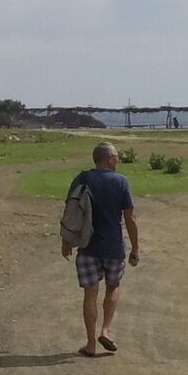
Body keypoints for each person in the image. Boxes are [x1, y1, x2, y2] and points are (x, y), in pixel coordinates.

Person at [63, 141, 140, 356]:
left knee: (90, 293)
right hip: (114, 247)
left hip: (87, 247)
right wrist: (135, 248)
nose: (118, 159)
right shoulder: (121, 182)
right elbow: (130, 218)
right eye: (116, 156)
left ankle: (90, 344)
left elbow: (70, 210)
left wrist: (66, 240)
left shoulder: (82, 178)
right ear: (109, 158)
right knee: (113, 286)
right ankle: (106, 329)